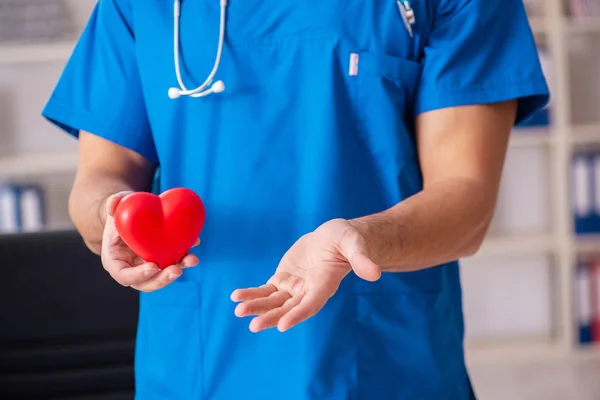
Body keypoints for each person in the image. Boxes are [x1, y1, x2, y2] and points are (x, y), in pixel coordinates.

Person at [42, 0, 549, 398]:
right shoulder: (137, 5)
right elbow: (101, 177)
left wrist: (363, 239)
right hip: (193, 371)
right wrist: (112, 217)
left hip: (385, 372)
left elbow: (466, 201)